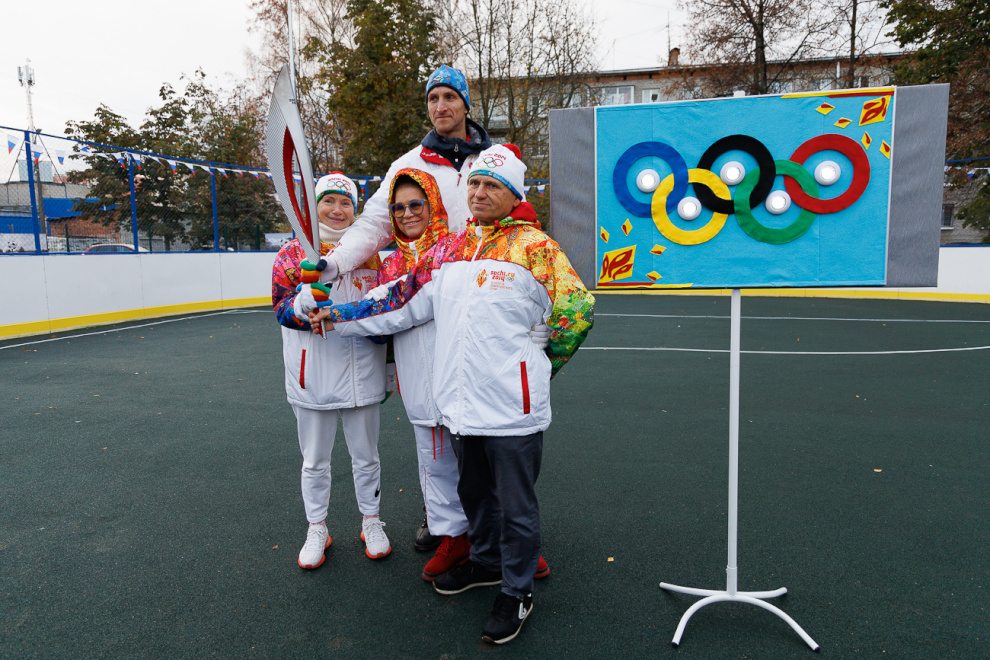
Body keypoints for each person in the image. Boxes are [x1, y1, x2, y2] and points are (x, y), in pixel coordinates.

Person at [312, 145, 595, 645]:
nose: (480, 192)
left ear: (514, 194)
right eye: (475, 184)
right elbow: (401, 299)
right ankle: (485, 562)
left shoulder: (535, 247)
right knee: (474, 494)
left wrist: (540, 365)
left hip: (511, 410)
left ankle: (517, 591)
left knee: (515, 506)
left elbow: (577, 309)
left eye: (493, 185)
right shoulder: (452, 249)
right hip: (462, 407)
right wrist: (339, 314)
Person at [311, 64, 492, 550]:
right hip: (424, 301)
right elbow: (373, 226)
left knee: (481, 428)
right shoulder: (409, 163)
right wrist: (332, 263)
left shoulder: (492, 160)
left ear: (466, 103)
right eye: (433, 98)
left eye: (450, 97)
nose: (441, 106)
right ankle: (442, 523)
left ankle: (493, 529)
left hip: (478, 306)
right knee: (430, 424)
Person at [271, 172, 391, 569]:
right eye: (328, 201)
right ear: (314, 205)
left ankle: (371, 520)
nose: (337, 210)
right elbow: (280, 309)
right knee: (314, 460)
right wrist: (301, 305)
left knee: (366, 456)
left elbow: (384, 310)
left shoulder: (370, 254)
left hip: (361, 370)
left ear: (355, 210)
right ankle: (316, 527)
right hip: (313, 374)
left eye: (346, 203)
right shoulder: (293, 254)